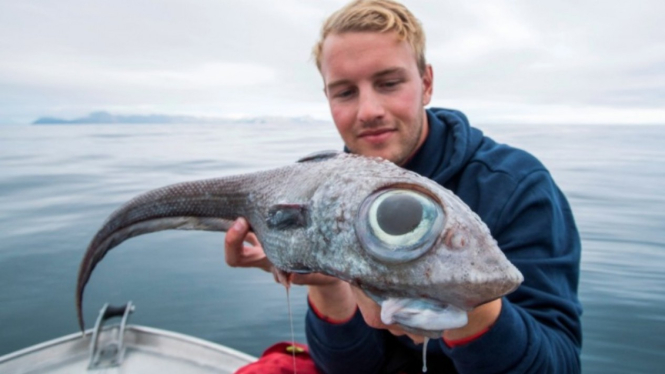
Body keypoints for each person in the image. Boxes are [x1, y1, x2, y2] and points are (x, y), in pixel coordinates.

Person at [225, 0, 582, 373]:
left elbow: (560, 363)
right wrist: (328, 285)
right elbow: (350, 369)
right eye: (345, 92)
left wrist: (468, 303)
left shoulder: (515, 185)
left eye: (389, 83)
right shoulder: (322, 198)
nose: (368, 110)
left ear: (426, 84)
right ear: (328, 99)